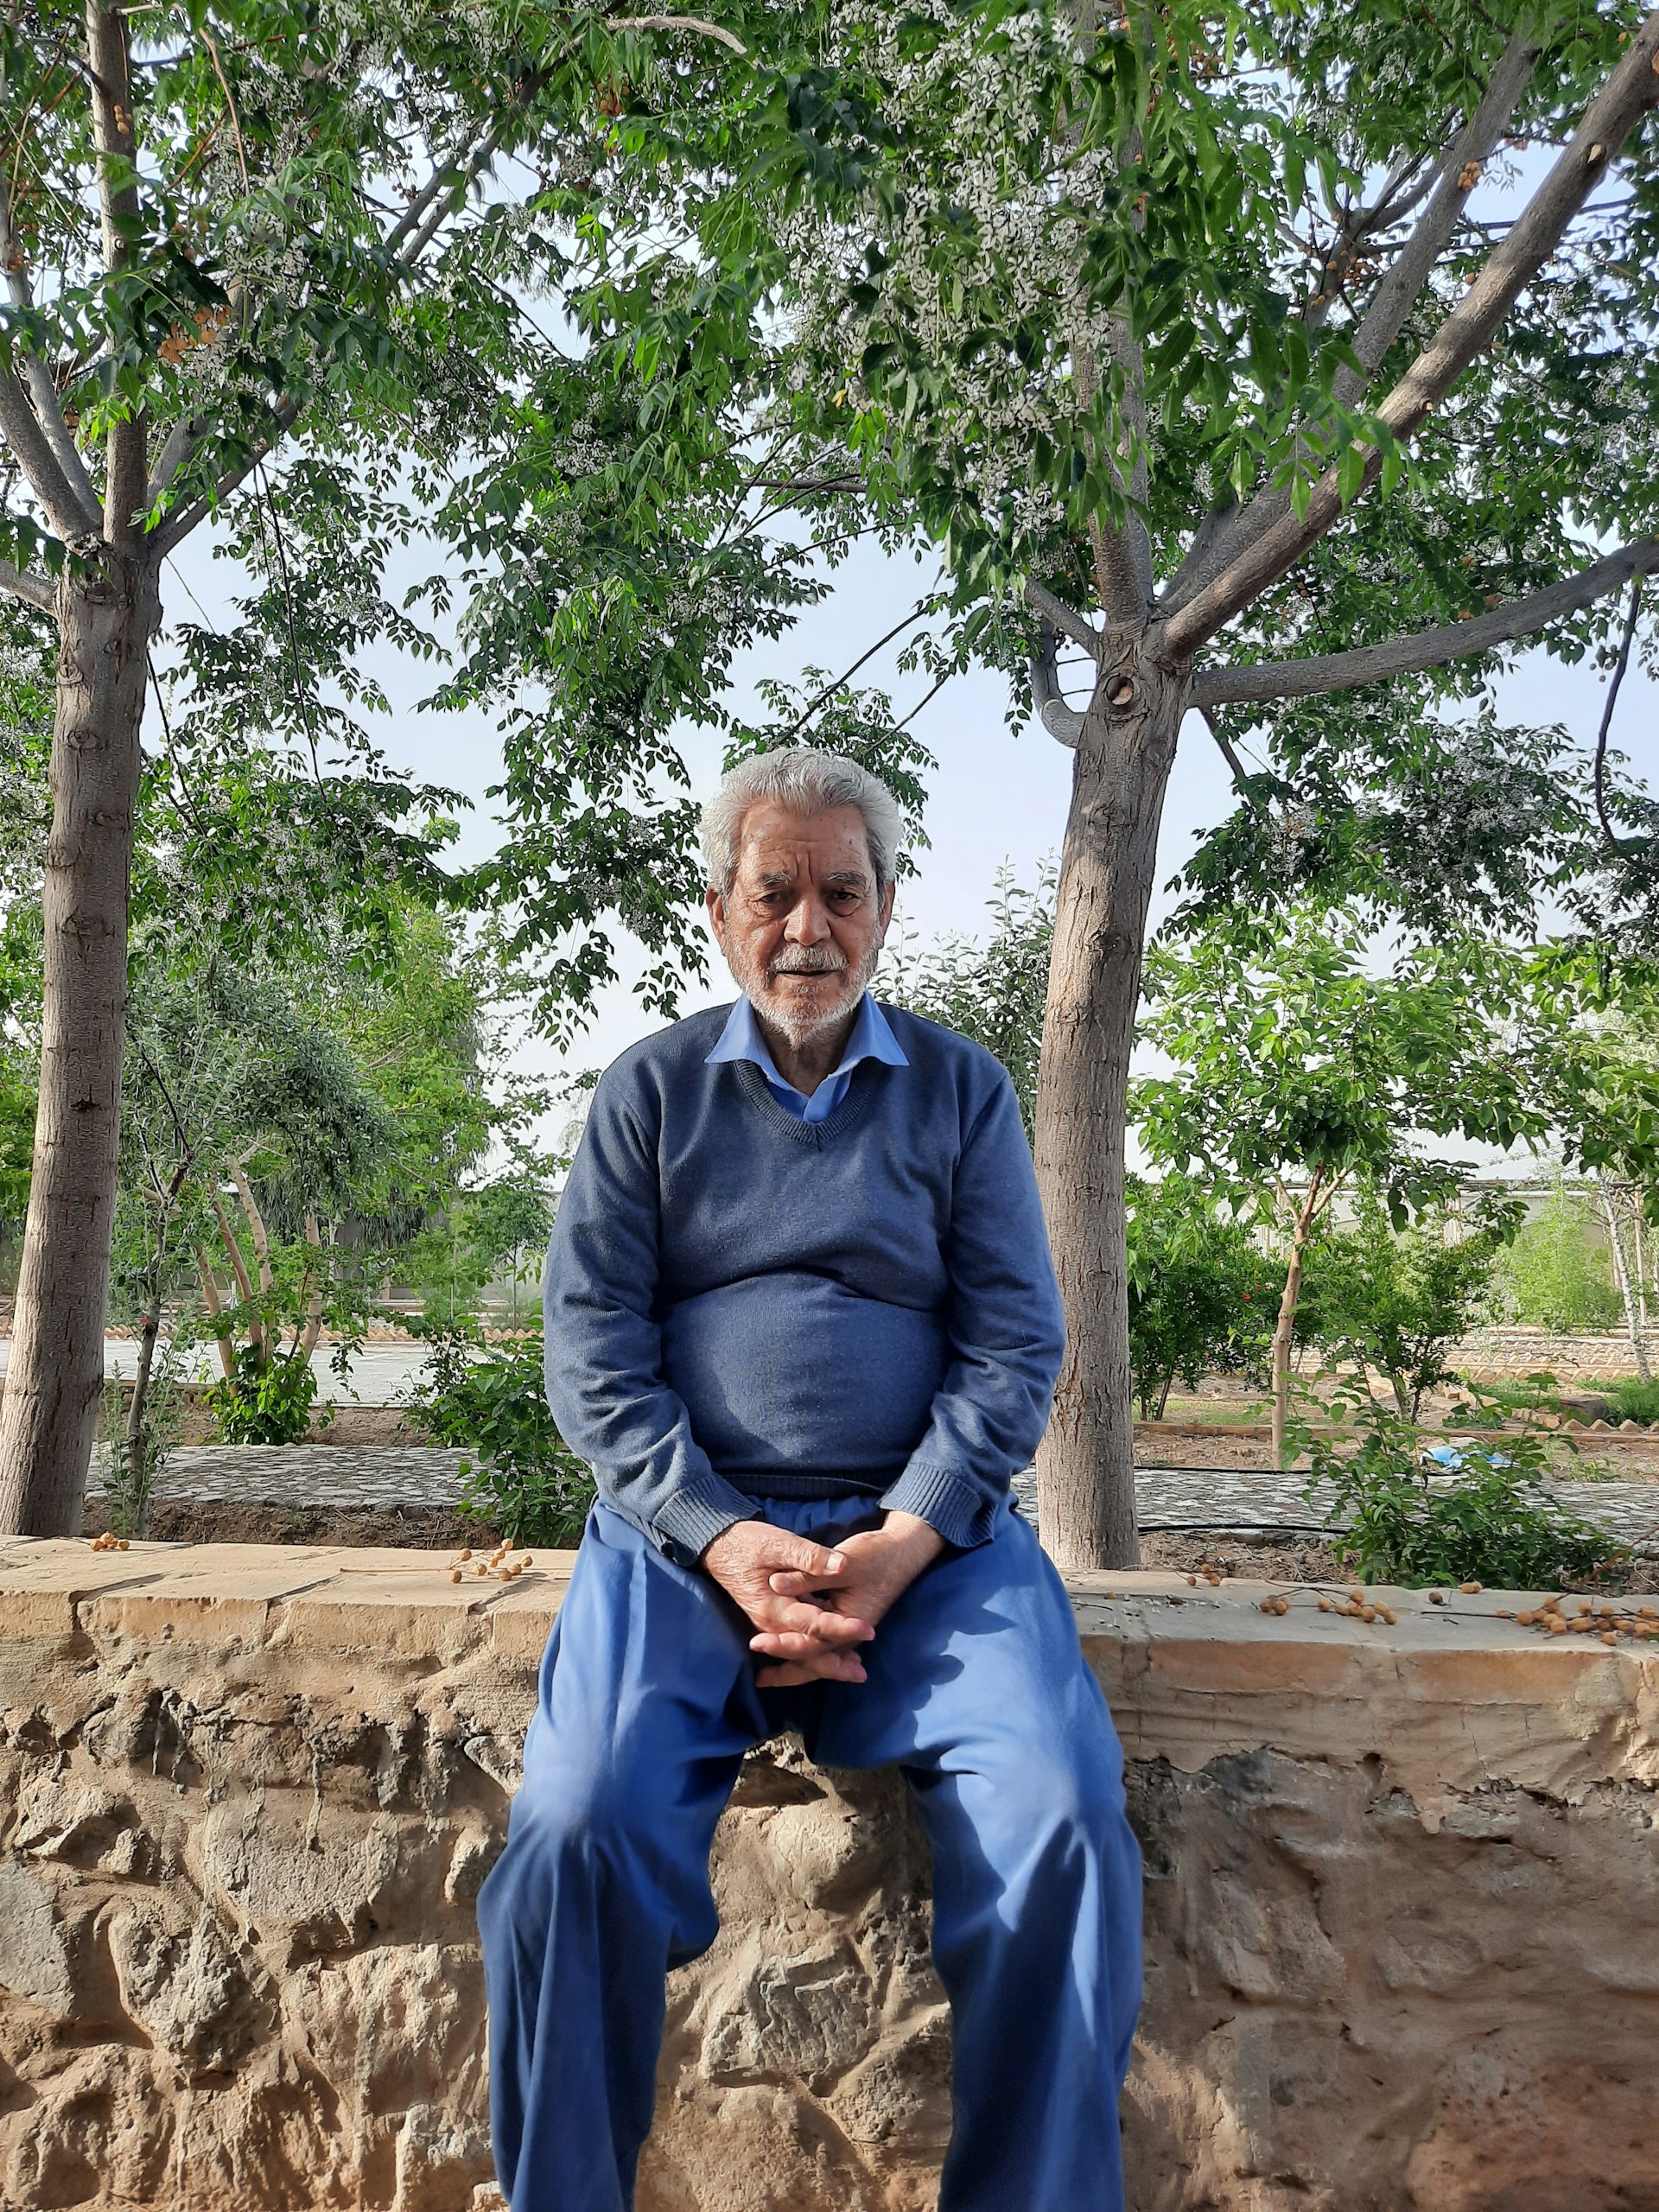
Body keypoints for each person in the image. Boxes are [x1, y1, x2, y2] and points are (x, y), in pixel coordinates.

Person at [477, 747, 1142, 2212]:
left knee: (1062, 1813)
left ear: (887, 908)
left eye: (842, 892)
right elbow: (592, 1357)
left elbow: (1017, 1341)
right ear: (718, 908)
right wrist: (722, 1537)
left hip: (935, 1548)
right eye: (773, 891)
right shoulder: (649, 1096)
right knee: (575, 1832)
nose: (808, 926)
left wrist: (908, 1536)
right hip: (681, 1546)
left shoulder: (959, 1091)